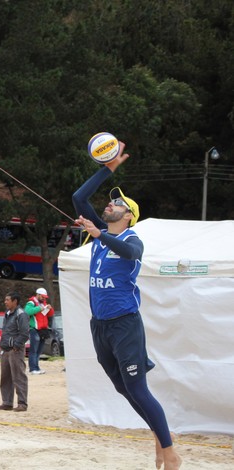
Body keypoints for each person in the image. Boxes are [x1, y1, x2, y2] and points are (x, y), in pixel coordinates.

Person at [72, 143, 182, 470]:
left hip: (124, 324)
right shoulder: (102, 233)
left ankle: (170, 451)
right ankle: (158, 433)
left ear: (129, 215)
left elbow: (131, 254)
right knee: (123, 388)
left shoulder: (132, 239)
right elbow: (79, 198)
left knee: (138, 388)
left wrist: (98, 234)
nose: (110, 204)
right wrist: (109, 168)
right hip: (100, 326)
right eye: (111, 200)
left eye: (118, 203)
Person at [0, 291, 29, 412]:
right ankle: (7, 402)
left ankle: (22, 403)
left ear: (15, 301)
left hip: (15, 350)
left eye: (7, 300)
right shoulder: (7, 313)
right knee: (5, 377)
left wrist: (16, 345)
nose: (5, 302)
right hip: (5, 350)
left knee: (19, 376)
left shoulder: (21, 314)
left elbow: (24, 333)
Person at [25, 287, 54, 375]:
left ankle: (37, 367)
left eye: (45, 297)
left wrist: (49, 308)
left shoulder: (43, 303)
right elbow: (27, 311)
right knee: (34, 350)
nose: (44, 298)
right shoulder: (31, 302)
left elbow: (50, 314)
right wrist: (39, 309)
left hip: (43, 329)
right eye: (42, 297)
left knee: (39, 350)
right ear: (37, 295)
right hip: (34, 329)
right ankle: (33, 368)